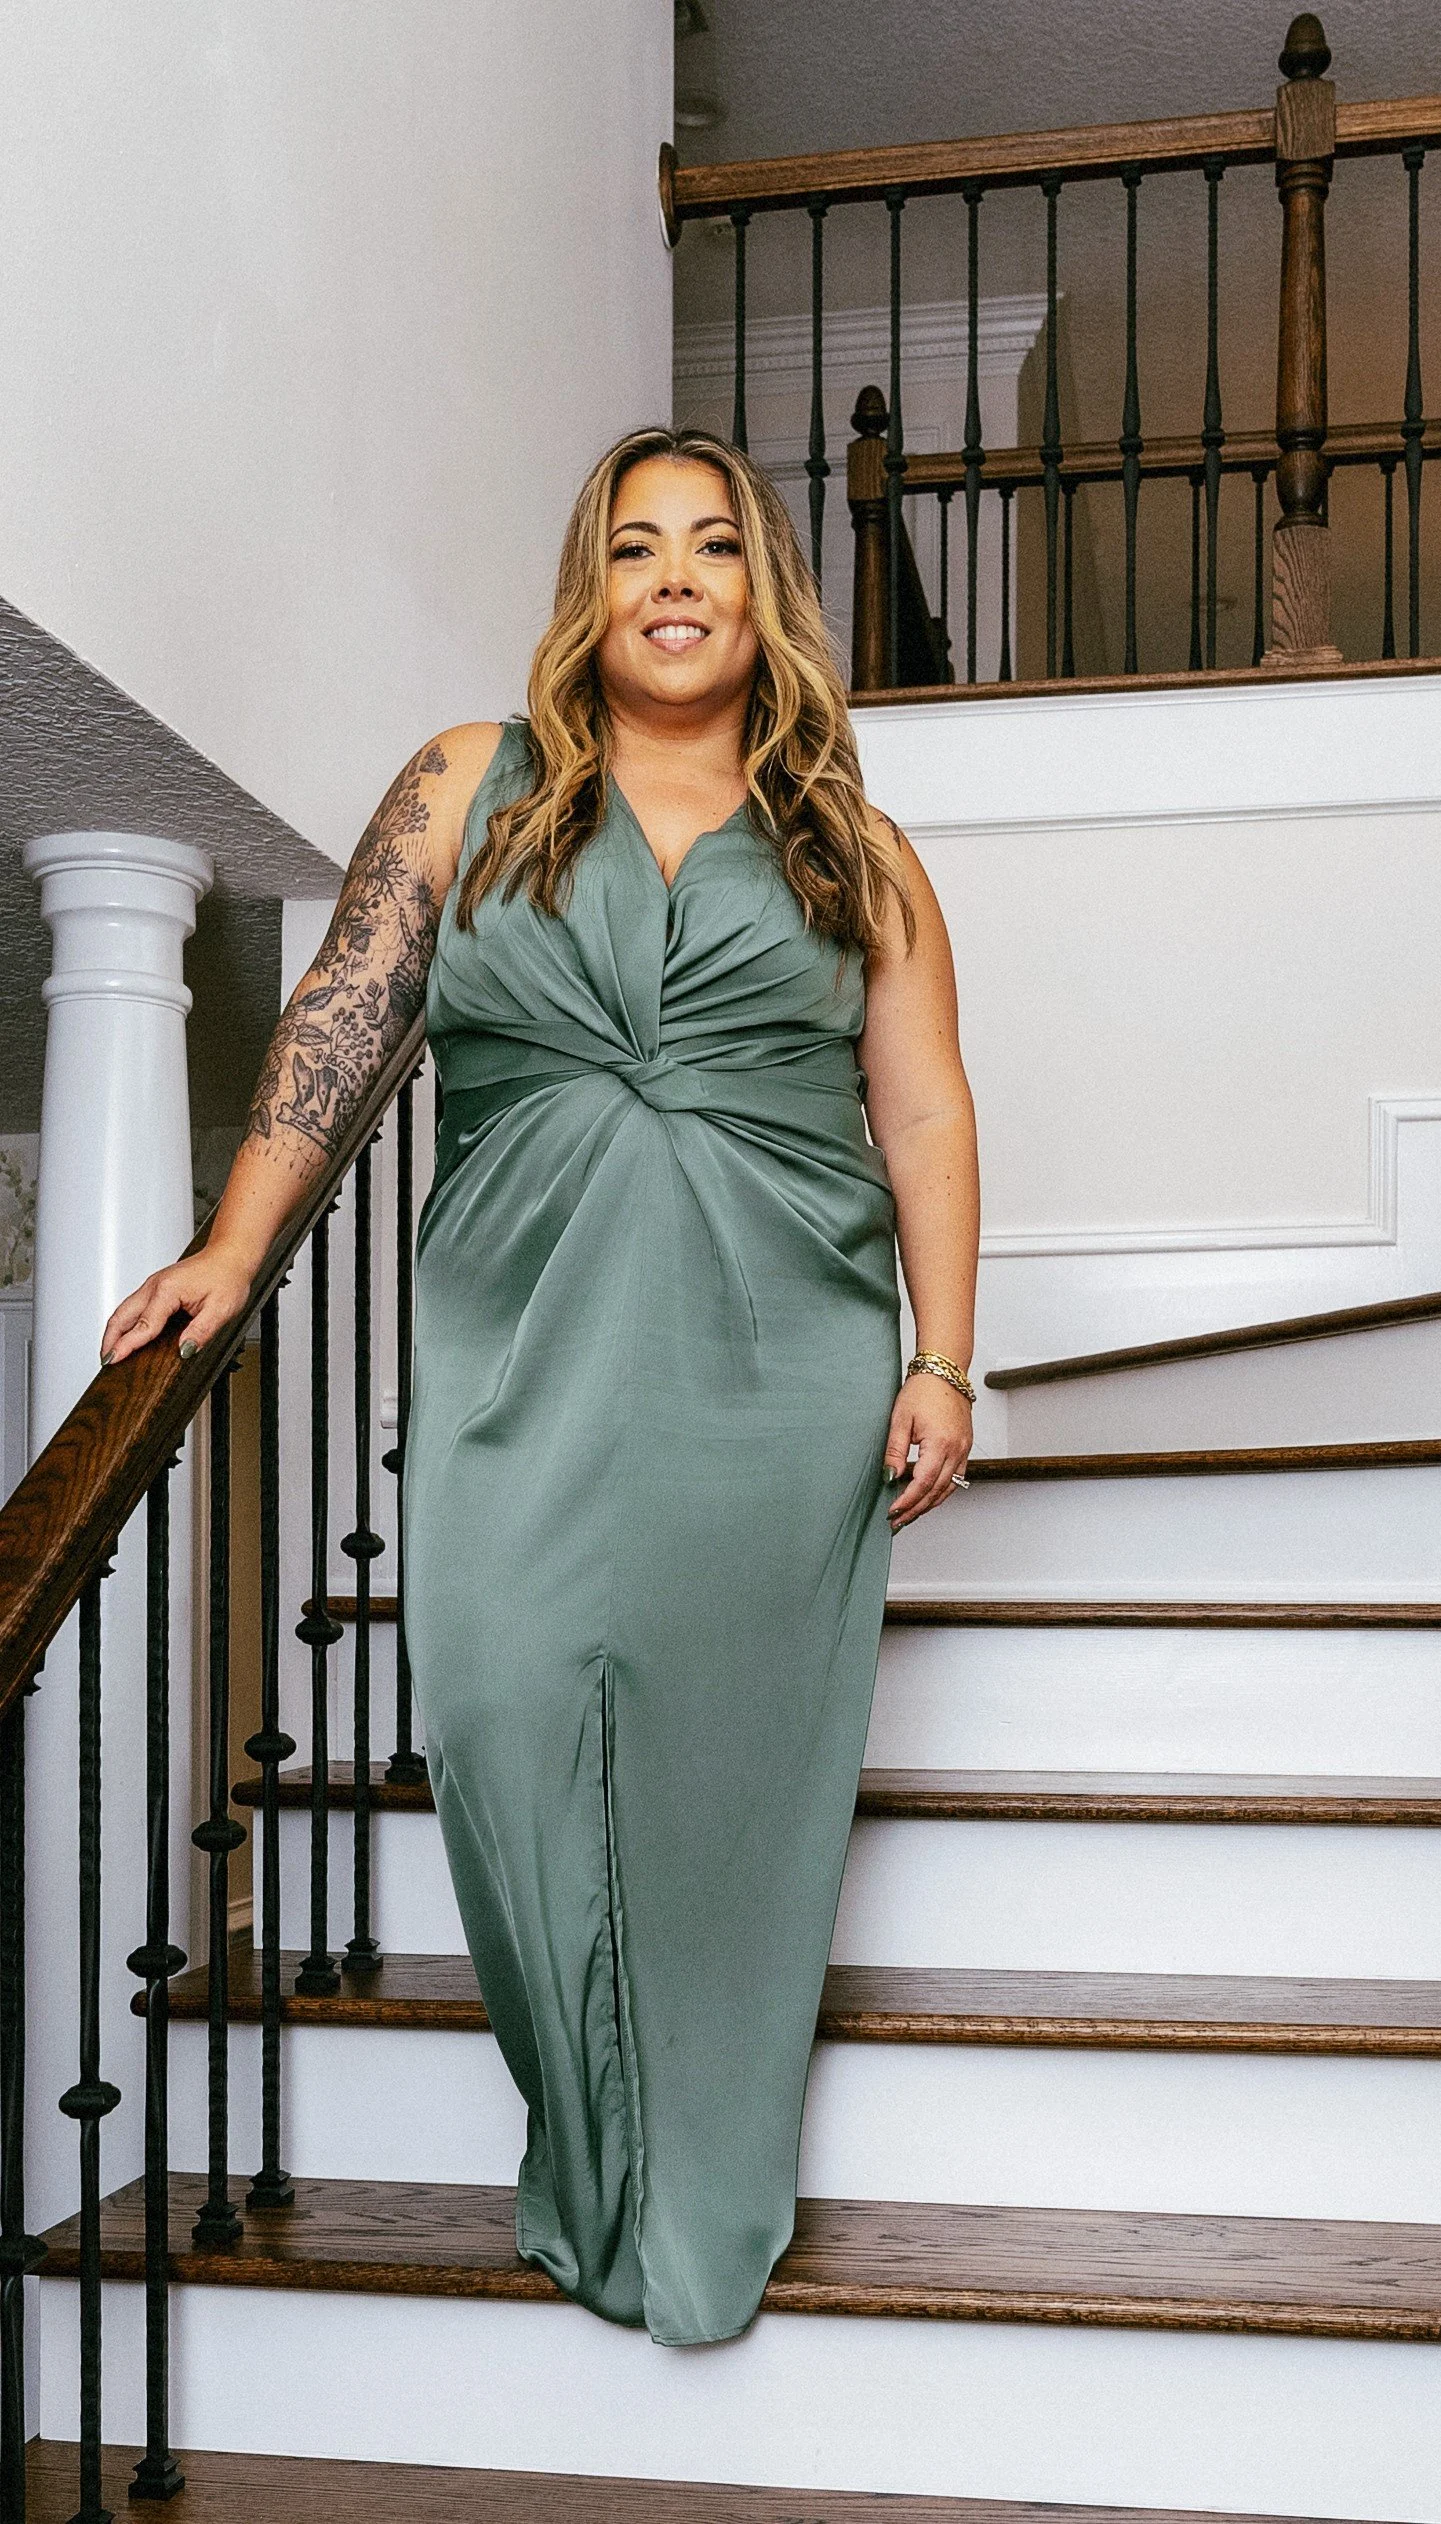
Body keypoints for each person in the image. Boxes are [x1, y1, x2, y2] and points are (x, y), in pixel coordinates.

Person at [101, 425, 981, 2345]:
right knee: (501, 1725)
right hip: (517, 1350)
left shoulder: (854, 845)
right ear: (592, 589)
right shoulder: (466, 785)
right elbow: (342, 1019)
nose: (676, 579)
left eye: (714, 547)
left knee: (725, 1783)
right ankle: (589, 2150)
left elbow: (921, 1109)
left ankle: (702, 2187)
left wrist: (940, 1358)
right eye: (638, 546)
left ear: (762, 595)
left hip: (776, 1364)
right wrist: (234, 1248)